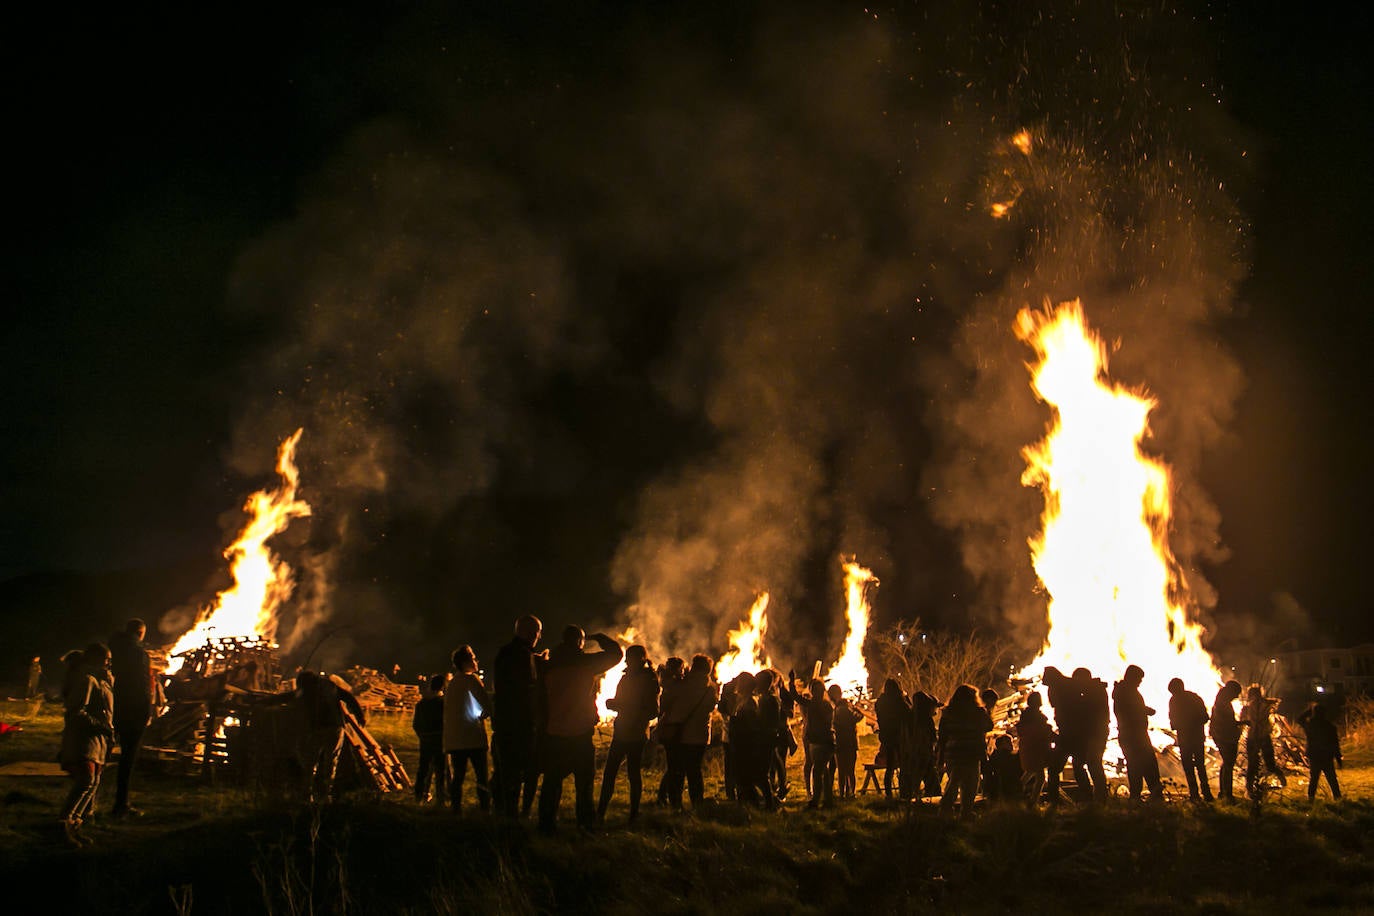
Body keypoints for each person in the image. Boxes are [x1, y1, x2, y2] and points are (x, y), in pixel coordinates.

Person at [537, 626, 623, 831]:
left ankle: (546, 824)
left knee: (552, 781)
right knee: (584, 783)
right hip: (581, 732)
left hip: (554, 731)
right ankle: (585, 824)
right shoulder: (586, 663)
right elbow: (617, 654)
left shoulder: (547, 666)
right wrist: (600, 638)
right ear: (579, 642)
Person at [57, 644, 114, 847]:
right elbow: (76, 712)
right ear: (95, 658)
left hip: (99, 739)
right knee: (85, 782)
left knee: (93, 784)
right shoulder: (86, 680)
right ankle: (62, 824)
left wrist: (108, 732)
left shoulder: (101, 681)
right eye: (106, 658)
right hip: (84, 738)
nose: (108, 662)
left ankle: (75, 826)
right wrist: (100, 727)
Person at [597, 645, 660, 823]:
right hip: (623, 730)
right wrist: (613, 704)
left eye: (630, 658)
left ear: (640, 659)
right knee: (611, 772)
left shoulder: (649, 680)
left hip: (635, 733)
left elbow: (652, 711)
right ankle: (601, 812)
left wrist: (622, 706)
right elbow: (622, 702)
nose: (627, 661)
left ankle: (632, 813)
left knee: (631, 773)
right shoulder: (627, 678)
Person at [491, 614, 543, 818]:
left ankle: (500, 810)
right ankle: (511, 815)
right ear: (531, 633)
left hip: (503, 722)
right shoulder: (523, 656)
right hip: (520, 724)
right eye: (538, 632)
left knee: (505, 770)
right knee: (519, 771)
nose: (538, 636)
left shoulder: (505, 653)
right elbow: (528, 690)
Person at [295, 669, 365, 804]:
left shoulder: (306, 690)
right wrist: (359, 715)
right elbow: (348, 697)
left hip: (320, 728)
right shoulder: (328, 685)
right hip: (334, 727)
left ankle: (309, 794)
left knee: (311, 761)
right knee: (330, 761)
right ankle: (325, 794)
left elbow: (293, 698)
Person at [108, 618, 155, 818]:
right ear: (141, 632)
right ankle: (121, 804)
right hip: (133, 709)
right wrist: (147, 709)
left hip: (113, 705)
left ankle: (85, 803)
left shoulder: (113, 648)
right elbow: (142, 683)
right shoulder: (138, 654)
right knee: (128, 757)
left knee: (100, 753)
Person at [660, 654, 718, 812]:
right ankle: (697, 803)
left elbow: (665, 703)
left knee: (676, 771)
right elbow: (711, 707)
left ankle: (675, 805)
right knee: (695, 772)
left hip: (679, 734)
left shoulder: (682, 684)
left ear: (693, 666)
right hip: (700, 736)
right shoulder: (711, 689)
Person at [445, 646, 492, 813]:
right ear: (465, 662)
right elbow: (486, 703)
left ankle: (455, 808)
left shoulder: (452, 683)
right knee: (481, 776)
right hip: (473, 738)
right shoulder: (472, 680)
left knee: (458, 776)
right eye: (473, 658)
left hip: (455, 739)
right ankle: (485, 809)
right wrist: (486, 713)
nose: (476, 661)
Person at [938, 684, 992, 818]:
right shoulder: (978, 712)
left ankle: (945, 809)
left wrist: (940, 757)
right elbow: (989, 726)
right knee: (970, 783)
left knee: (954, 780)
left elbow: (942, 735)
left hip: (953, 752)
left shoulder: (948, 713)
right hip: (971, 752)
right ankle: (965, 812)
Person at [1113, 665, 1163, 802]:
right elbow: (1131, 710)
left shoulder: (1125, 690)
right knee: (1141, 764)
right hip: (1133, 735)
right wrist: (1146, 711)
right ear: (1132, 677)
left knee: (1140, 764)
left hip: (1134, 734)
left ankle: (1145, 794)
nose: (1140, 682)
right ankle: (1141, 795)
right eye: (1139, 679)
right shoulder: (1125, 691)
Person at [1167, 677, 1213, 802]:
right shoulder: (1193, 698)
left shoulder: (1176, 700)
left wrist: (1183, 723)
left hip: (1188, 738)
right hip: (1193, 737)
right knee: (1198, 766)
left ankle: (1198, 793)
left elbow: (1173, 721)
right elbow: (1205, 717)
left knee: (1192, 766)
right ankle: (1201, 793)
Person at [1239, 683, 1286, 797]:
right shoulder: (1251, 707)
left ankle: (1251, 788)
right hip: (1256, 737)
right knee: (1255, 764)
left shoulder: (1259, 705)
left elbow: (1276, 701)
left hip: (1260, 737)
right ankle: (1250, 788)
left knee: (1261, 764)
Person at [654, 656, 686, 806]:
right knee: (676, 766)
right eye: (682, 669)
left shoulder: (668, 684)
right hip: (672, 729)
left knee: (674, 766)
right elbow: (667, 712)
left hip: (670, 729)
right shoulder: (673, 687)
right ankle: (671, 798)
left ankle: (664, 796)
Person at [1015, 691, 1055, 807]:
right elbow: (1040, 731)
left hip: (1030, 748)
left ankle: (1020, 793)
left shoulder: (1026, 715)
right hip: (1036, 749)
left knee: (1032, 771)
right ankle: (1032, 801)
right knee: (1040, 776)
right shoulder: (1036, 716)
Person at [412, 673, 447, 804]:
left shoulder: (421, 704)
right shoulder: (443, 703)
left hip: (425, 741)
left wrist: (422, 736)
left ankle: (418, 796)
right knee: (440, 771)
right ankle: (440, 799)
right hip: (439, 740)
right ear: (443, 687)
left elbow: (415, 724)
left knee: (423, 769)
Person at [1296, 702, 1342, 800]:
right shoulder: (1330, 727)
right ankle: (1337, 797)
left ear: (1314, 713)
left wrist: (1309, 709)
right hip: (1327, 755)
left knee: (1314, 778)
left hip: (1314, 755)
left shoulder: (1310, 725)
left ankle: (1311, 797)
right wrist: (1338, 758)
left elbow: (1299, 719)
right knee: (1331, 778)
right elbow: (1335, 744)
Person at [873, 678, 910, 798]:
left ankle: (889, 794)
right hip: (899, 737)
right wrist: (906, 698)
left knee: (890, 767)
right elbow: (909, 713)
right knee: (903, 765)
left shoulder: (880, 702)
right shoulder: (899, 701)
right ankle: (904, 792)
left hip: (886, 736)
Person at [804, 679, 836, 809]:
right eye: (814, 690)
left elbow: (827, 723)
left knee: (817, 771)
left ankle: (816, 800)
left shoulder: (825, 706)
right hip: (815, 742)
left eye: (819, 690)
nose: (817, 692)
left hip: (824, 742)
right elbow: (795, 697)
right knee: (824, 771)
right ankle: (828, 800)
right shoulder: (811, 704)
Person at [1210, 680, 1243, 800]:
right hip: (1225, 737)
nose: (1237, 696)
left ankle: (1223, 792)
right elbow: (1227, 722)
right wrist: (1242, 723)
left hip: (1222, 736)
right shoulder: (1223, 704)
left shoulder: (1221, 701)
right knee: (1228, 764)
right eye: (1236, 693)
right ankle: (1227, 793)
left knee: (1226, 763)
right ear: (1231, 691)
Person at [905, 691, 942, 800]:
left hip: (912, 754)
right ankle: (929, 804)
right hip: (924, 755)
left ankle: (912, 802)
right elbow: (931, 739)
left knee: (915, 781)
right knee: (932, 783)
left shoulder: (909, 717)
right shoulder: (926, 720)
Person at [832, 686, 861, 799]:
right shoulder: (847, 712)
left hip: (839, 743)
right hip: (850, 743)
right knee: (850, 771)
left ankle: (842, 793)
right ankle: (851, 793)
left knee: (841, 771)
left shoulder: (836, 711)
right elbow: (859, 717)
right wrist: (856, 710)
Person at [984, 734, 1021, 802]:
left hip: (997, 789)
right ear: (1003, 744)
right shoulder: (1011, 758)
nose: (1012, 744)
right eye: (1010, 742)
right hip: (1009, 787)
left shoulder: (993, 757)